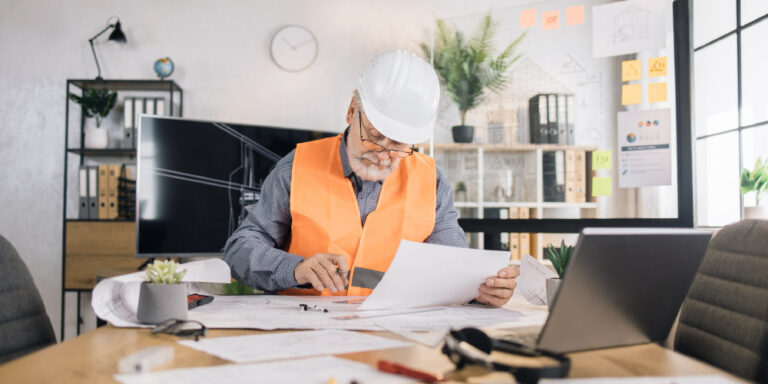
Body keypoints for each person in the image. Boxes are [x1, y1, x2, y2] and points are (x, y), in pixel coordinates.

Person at [223, 51, 519, 307]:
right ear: (352, 111)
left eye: (400, 144)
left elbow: (452, 267)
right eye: (375, 136)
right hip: (308, 325)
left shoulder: (431, 180)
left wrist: (481, 290)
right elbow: (238, 250)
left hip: (398, 330)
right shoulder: (295, 167)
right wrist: (296, 268)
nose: (383, 153)